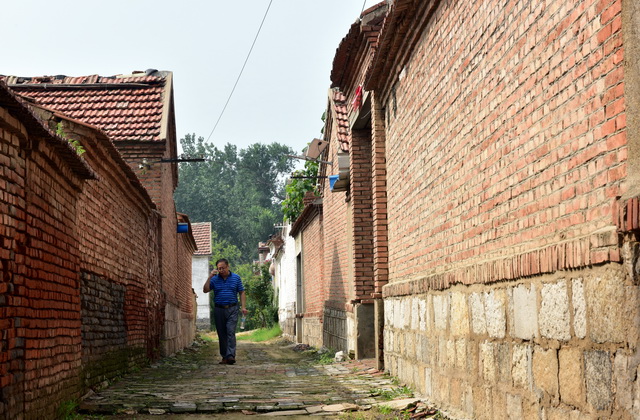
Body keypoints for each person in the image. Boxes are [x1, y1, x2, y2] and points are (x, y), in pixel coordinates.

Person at [203, 258, 248, 365]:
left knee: (230, 331)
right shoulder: (214, 279)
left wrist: (243, 307)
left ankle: (231, 356)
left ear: (228, 267)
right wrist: (210, 277)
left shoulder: (236, 278)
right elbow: (205, 290)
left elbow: (241, 292)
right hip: (219, 309)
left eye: (223, 268)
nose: (221, 270)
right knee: (222, 334)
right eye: (219, 268)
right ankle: (224, 356)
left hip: (232, 308)